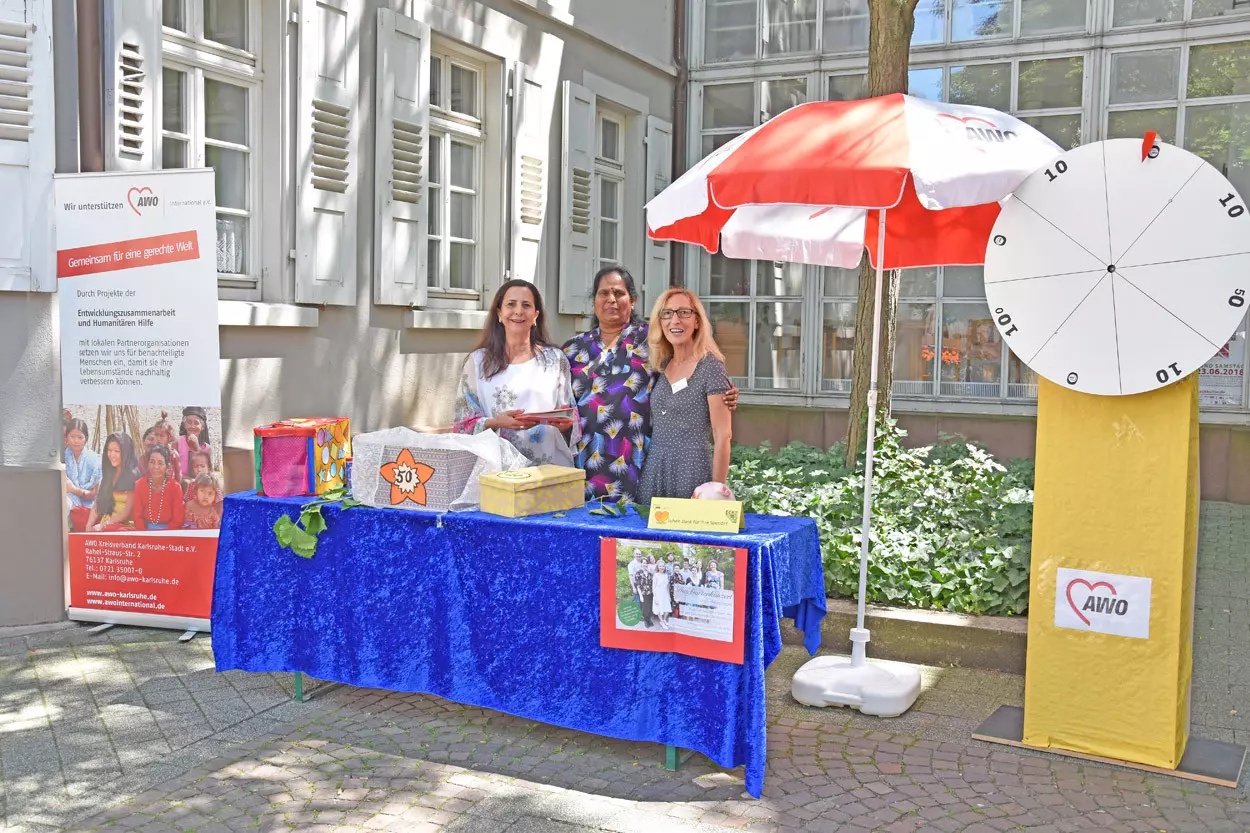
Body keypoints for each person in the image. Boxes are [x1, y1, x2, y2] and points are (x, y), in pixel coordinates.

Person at [562, 267, 738, 505]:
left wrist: (723, 392)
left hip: (639, 466)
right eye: (603, 293)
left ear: (633, 300)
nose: (611, 299)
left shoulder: (653, 341)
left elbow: (691, 368)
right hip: (585, 465)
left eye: (619, 293)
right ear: (594, 301)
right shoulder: (573, 350)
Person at [453, 279, 580, 466]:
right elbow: (462, 425)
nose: (518, 311)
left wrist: (567, 425)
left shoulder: (556, 359)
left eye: (526, 305)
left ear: (536, 315)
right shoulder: (478, 362)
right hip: (497, 471)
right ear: (499, 313)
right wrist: (496, 423)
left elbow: (570, 414)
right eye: (511, 304)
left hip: (548, 472)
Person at [637, 288, 734, 506]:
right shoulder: (661, 366)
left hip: (693, 471)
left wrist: (716, 491)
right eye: (667, 313)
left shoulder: (711, 367)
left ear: (698, 321)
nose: (675, 320)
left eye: (684, 313)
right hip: (656, 472)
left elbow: (723, 436)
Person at [85, 433, 141, 532]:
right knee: (78, 513)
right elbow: (98, 503)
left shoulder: (133, 475)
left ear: (125, 453)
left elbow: (127, 512)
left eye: (117, 451)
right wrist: (88, 525)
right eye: (109, 450)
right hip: (107, 522)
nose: (112, 455)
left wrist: (103, 525)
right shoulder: (109, 472)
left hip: (123, 526)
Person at [63, 418, 102, 533]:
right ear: (66, 437)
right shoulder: (62, 458)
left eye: (80, 437)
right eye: (72, 436)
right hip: (69, 500)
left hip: (90, 504)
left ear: (86, 439)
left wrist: (74, 489)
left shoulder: (94, 460)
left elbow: (94, 494)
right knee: (64, 503)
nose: (76, 441)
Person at [134, 445, 186, 530]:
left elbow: (177, 520)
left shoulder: (175, 488)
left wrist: (162, 538)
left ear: (167, 467)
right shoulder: (139, 485)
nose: (156, 467)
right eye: (152, 462)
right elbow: (137, 517)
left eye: (160, 463)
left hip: (169, 535)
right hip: (144, 534)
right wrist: (145, 536)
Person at [178, 407, 212, 480]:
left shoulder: (207, 449)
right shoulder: (177, 442)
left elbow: (207, 474)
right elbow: (172, 471)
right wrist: (188, 480)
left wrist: (197, 449)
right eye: (189, 422)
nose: (192, 426)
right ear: (185, 425)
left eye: (196, 423)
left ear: (202, 427)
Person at [651, 559, 673, 629]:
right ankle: (662, 622)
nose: (661, 567)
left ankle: (663, 620)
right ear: (658, 567)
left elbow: (667, 587)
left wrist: (669, 596)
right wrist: (655, 597)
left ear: (664, 567)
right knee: (659, 609)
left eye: (663, 566)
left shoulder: (666, 575)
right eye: (660, 566)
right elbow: (653, 587)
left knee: (667, 609)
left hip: (665, 594)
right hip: (658, 594)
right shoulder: (656, 575)